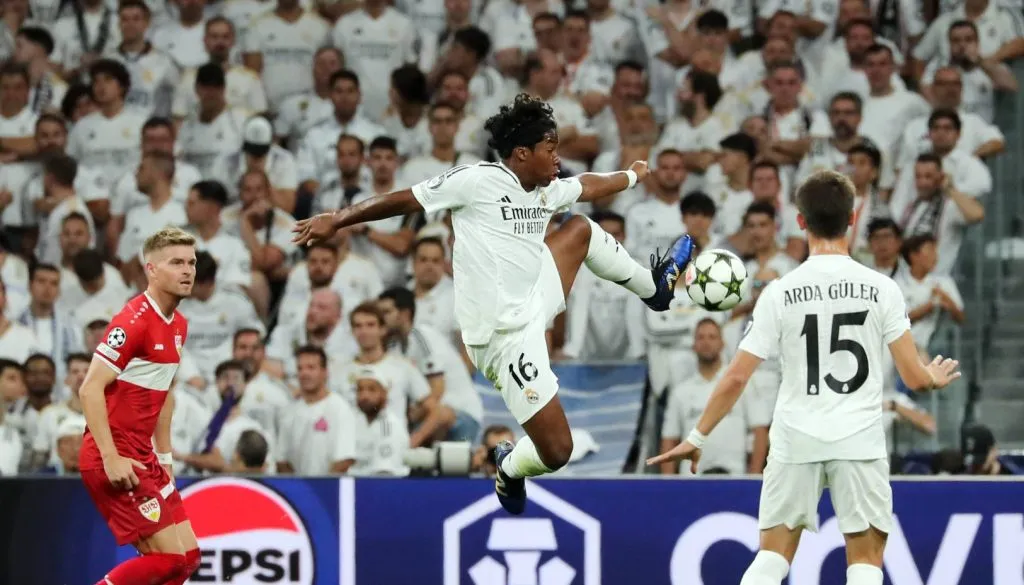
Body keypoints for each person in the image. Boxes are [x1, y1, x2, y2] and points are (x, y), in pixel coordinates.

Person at [293, 93, 695, 515]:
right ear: (523, 153)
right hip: (503, 339)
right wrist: (337, 219)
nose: (558, 159)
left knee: (580, 230)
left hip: (533, 294)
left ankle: (655, 289)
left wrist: (630, 177)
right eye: (550, 149)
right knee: (558, 451)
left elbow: (589, 185)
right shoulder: (476, 181)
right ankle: (510, 465)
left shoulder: (544, 188)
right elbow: (404, 198)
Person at [646, 169, 961, 585]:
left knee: (772, 559)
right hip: (859, 439)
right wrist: (932, 377)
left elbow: (737, 376)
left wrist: (697, 436)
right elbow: (913, 378)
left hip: (796, 439)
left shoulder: (780, 290)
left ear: (800, 221)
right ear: (852, 220)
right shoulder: (882, 288)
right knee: (865, 563)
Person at [77, 227, 201, 585]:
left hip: (144, 457)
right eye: (176, 262)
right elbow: (89, 389)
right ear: (151, 269)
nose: (187, 270)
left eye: (191, 262)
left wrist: (164, 459)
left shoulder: (178, 324)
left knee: (188, 559)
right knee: (168, 560)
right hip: (115, 455)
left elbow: (164, 396)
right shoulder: (132, 322)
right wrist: (110, 456)